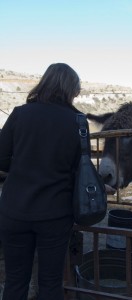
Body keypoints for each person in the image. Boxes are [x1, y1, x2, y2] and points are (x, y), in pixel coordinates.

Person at [0, 63, 86, 300]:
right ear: (69, 89)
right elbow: (82, 169)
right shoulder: (78, 121)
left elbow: (1, 158)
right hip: (55, 215)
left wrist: (21, 166)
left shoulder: (19, 114)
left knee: (15, 281)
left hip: (14, 211)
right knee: (50, 284)